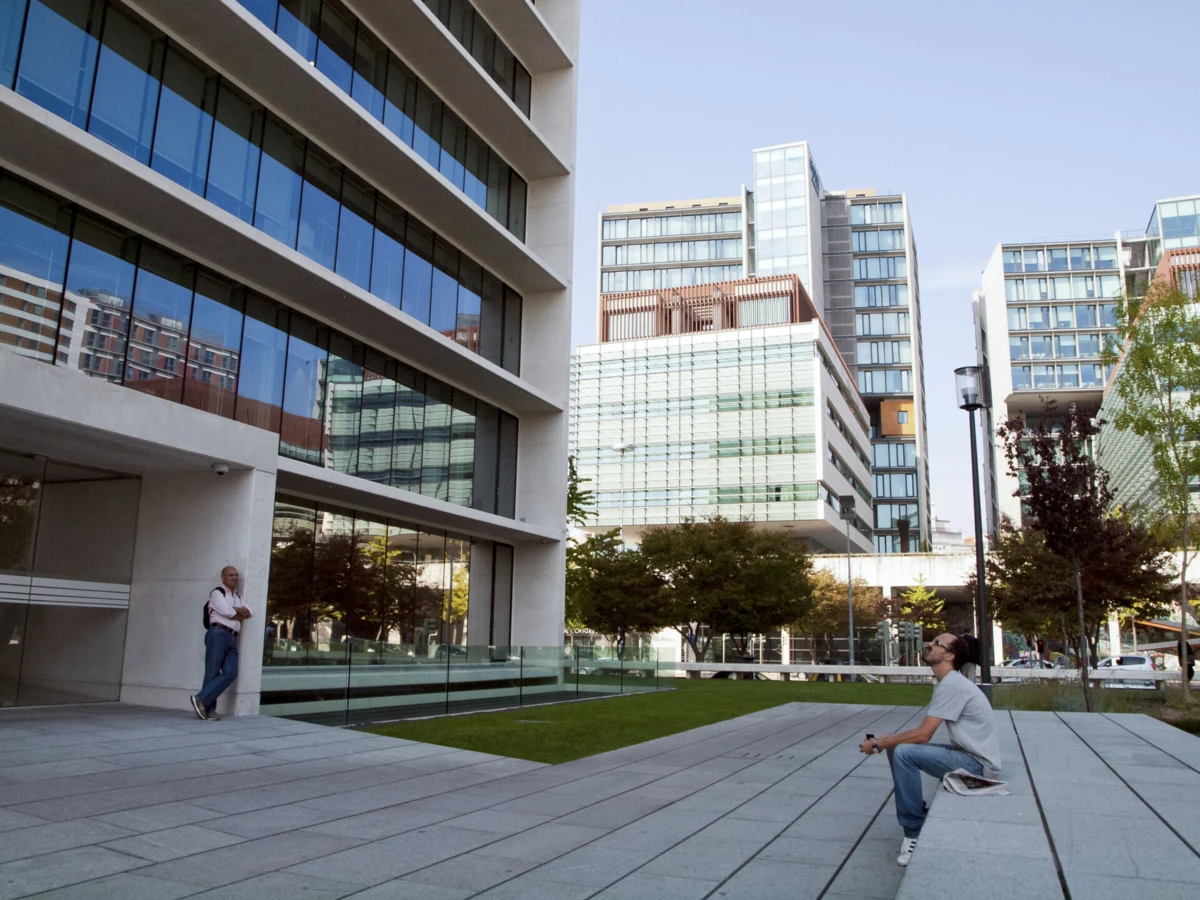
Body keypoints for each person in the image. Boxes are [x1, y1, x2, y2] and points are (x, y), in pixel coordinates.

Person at [859, 632, 1001, 868]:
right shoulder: (949, 682)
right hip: (967, 755)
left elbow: (924, 734)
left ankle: (914, 832)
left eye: (936, 643)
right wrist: (887, 740)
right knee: (900, 747)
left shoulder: (953, 685)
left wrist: (878, 744)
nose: (928, 644)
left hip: (978, 766)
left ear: (949, 655)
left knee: (903, 751)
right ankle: (915, 821)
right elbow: (920, 733)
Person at [190, 566, 251, 721]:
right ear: (223, 577)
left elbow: (249, 613)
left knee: (231, 672)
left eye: (236, 575)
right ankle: (209, 711)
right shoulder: (217, 593)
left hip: (232, 637)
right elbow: (227, 612)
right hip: (218, 633)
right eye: (230, 575)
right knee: (212, 672)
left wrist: (236, 610)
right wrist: (238, 613)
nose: (234, 577)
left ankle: (201, 698)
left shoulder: (237, 596)